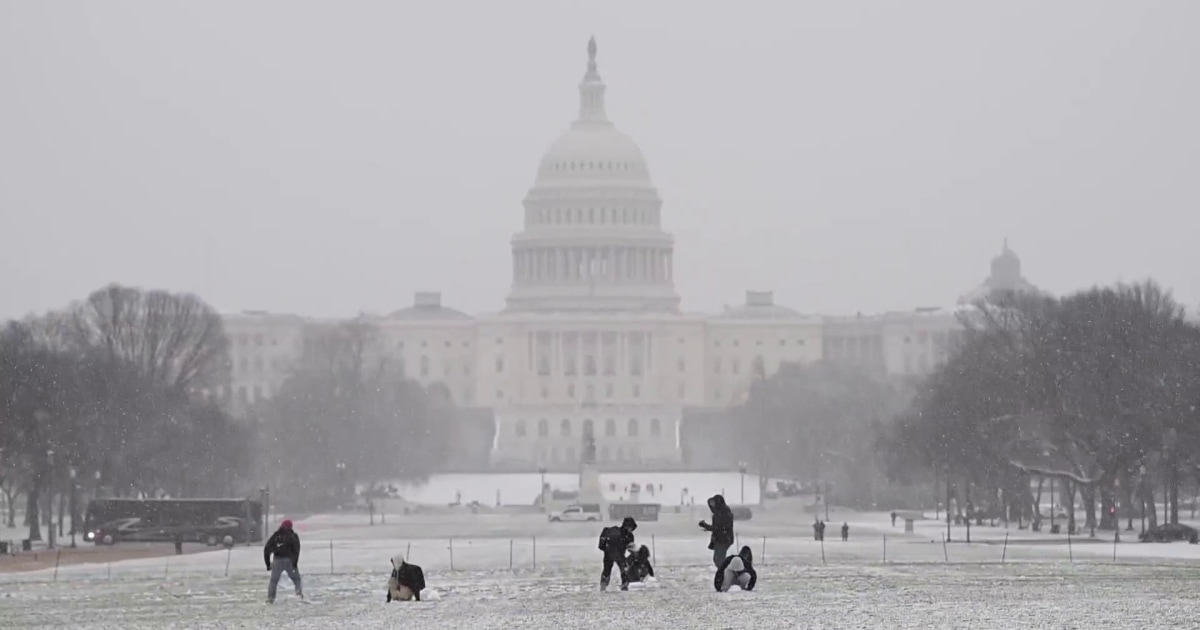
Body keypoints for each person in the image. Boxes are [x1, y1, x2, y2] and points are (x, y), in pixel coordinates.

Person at [264, 520, 303, 604]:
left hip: (277, 560)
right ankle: (299, 594)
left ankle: (270, 598)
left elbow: (267, 549)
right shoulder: (293, 536)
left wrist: (268, 564)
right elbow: (296, 550)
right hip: (289, 560)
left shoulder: (276, 536)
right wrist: (295, 563)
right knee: (296, 579)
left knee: (273, 581)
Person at [597, 517, 638, 591]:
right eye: (631, 528)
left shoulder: (612, 531)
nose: (631, 530)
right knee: (624, 569)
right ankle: (624, 586)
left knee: (607, 571)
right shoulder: (628, 536)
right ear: (627, 527)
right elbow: (631, 550)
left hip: (608, 553)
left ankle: (603, 587)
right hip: (616, 553)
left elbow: (601, 546)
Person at [698, 494, 734, 568]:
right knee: (718, 559)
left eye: (714, 503)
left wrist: (707, 526)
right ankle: (724, 572)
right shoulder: (718, 513)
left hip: (723, 539)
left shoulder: (724, 513)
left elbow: (722, 527)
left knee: (719, 560)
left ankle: (726, 572)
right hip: (720, 539)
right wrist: (706, 526)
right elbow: (716, 528)